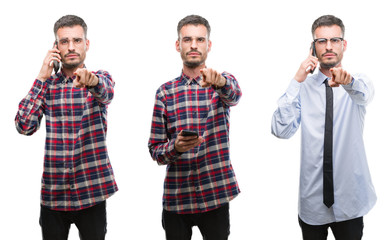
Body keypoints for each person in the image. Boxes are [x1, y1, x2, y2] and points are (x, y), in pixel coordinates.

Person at [271, 15, 376, 240]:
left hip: (351, 200)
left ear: (343, 45)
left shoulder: (358, 83)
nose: (328, 46)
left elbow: (363, 94)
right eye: (321, 41)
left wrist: (347, 82)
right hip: (313, 203)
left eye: (335, 40)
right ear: (313, 47)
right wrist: (296, 80)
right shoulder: (302, 87)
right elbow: (281, 130)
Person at [15, 15, 117, 240]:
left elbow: (107, 92)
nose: (71, 47)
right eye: (64, 41)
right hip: (54, 194)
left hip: (92, 190)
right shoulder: (47, 86)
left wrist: (90, 81)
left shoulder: (100, 78)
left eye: (77, 41)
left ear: (86, 44)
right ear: (56, 47)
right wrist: (42, 76)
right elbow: (24, 126)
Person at [148, 15, 241, 240]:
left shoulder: (222, 83)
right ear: (178, 45)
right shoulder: (164, 92)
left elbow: (235, 95)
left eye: (200, 40)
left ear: (208, 45)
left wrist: (218, 82)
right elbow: (155, 150)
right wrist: (176, 147)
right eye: (187, 39)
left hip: (215, 195)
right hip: (177, 199)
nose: (193, 45)